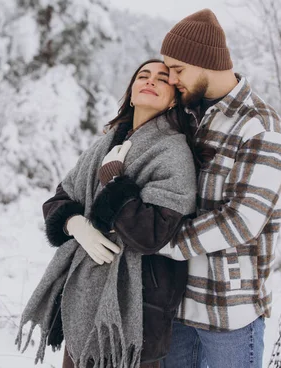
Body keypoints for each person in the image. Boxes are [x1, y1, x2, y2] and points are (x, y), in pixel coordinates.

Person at [16, 59, 198, 368]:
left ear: (173, 99)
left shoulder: (175, 153)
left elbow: (151, 234)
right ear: (131, 93)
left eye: (162, 79)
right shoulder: (104, 145)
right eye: (143, 76)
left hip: (135, 307)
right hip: (83, 296)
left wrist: (115, 183)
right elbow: (59, 199)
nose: (151, 81)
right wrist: (75, 224)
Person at [156, 9, 281, 368]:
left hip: (229, 312)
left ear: (206, 63)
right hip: (176, 302)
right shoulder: (185, 115)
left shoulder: (261, 126)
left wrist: (160, 240)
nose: (171, 78)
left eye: (178, 69)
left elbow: (241, 220)